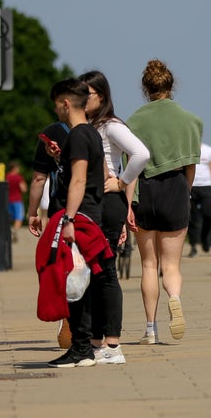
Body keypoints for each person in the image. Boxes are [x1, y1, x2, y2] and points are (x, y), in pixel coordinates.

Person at [126, 59, 202, 345]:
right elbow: (191, 166)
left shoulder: (134, 121)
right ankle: (175, 298)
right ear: (172, 86)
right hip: (175, 188)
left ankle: (150, 329)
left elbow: (130, 167)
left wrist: (128, 204)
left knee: (148, 265)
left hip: (145, 190)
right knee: (171, 266)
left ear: (146, 88)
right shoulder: (190, 120)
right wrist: (186, 191)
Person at [80, 70, 150, 364]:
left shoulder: (110, 126)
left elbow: (141, 153)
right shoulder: (88, 126)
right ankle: (97, 340)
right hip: (92, 203)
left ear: (102, 96)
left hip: (107, 202)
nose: (82, 100)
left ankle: (112, 344)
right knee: (92, 273)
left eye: (88, 94)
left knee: (105, 272)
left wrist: (121, 183)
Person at [41, 78, 110, 368]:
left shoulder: (79, 135)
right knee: (80, 280)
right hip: (89, 212)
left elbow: (80, 179)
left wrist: (68, 219)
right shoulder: (90, 134)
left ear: (66, 103)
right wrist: (61, 156)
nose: (56, 111)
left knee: (73, 280)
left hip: (78, 217)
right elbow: (100, 172)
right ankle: (82, 347)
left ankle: (81, 348)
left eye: (57, 105)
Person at [28, 118, 71, 349]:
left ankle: (69, 318)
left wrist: (32, 212)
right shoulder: (102, 127)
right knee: (99, 268)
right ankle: (108, 335)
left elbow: (38, 178)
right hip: (96, 206)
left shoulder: (53, 132)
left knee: (64, 265)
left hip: (62, 210)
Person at [187, 142, 211, 257]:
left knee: (209, 213)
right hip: (190, 185)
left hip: (206, 186)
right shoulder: (187, 148)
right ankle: (193, 246)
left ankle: (204, 236)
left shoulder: (209, 150)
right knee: (191, 217)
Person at [6, 161, 28, 243]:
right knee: (19, 217)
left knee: (9, 217)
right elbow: (24, 189)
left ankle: (9, 231)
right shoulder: (18, 177)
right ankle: (14, 231)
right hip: (17, 200)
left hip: (8, 200)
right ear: (14, 168)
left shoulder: (6, 177)